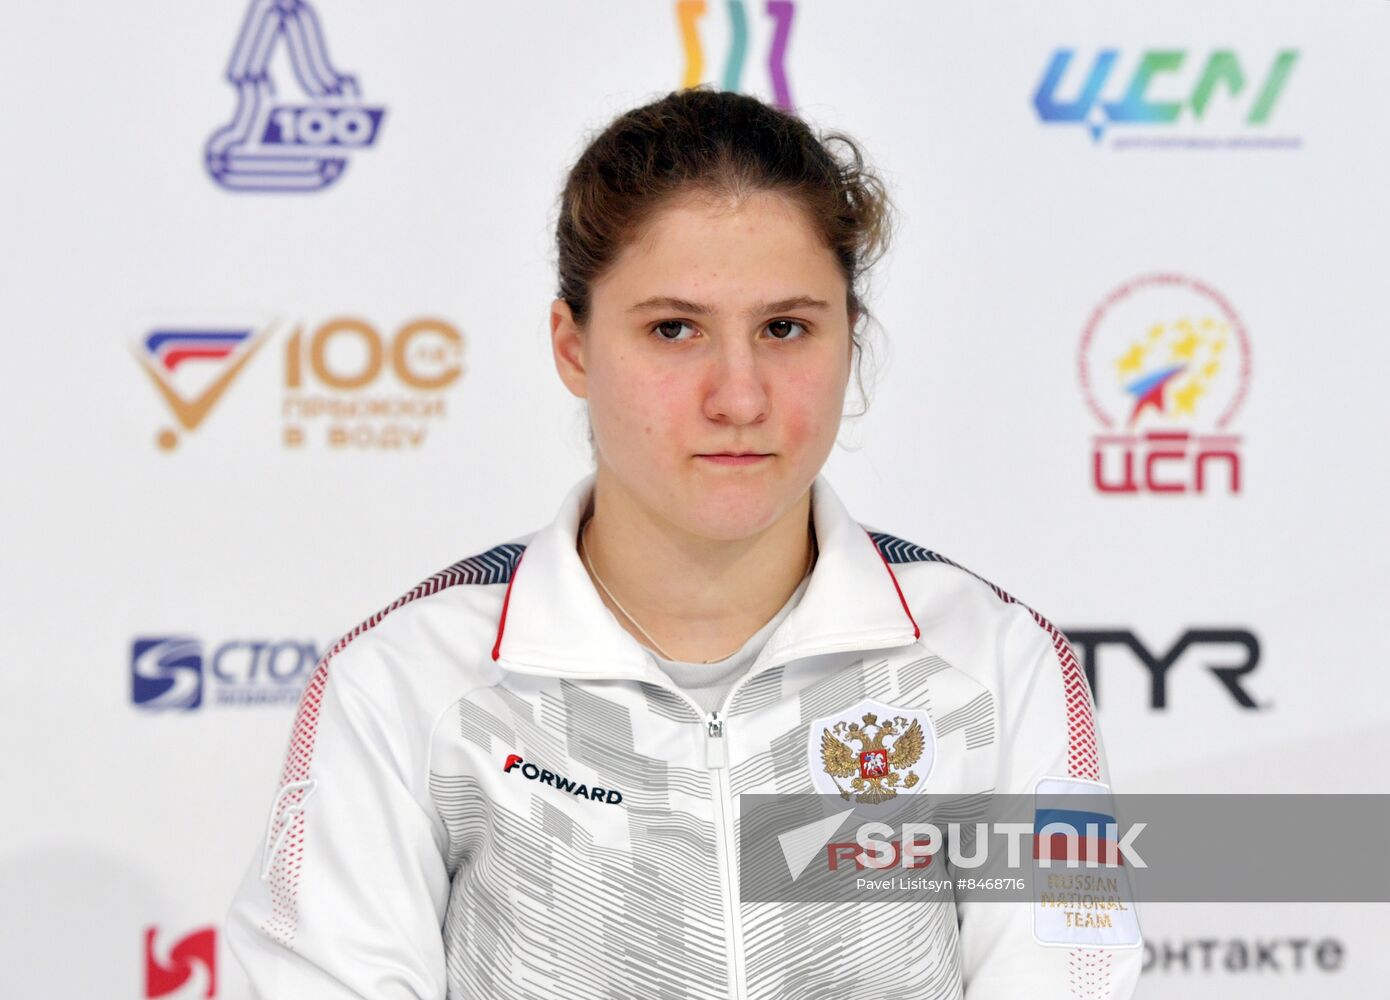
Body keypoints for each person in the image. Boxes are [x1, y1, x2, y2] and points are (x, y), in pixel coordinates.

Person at [225, 86, 1142, 998]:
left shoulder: (996, 663)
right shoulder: (410, 680)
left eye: (786, 328)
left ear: (849, 341)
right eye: (674, 329)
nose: (738, 397)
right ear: (573, 347)